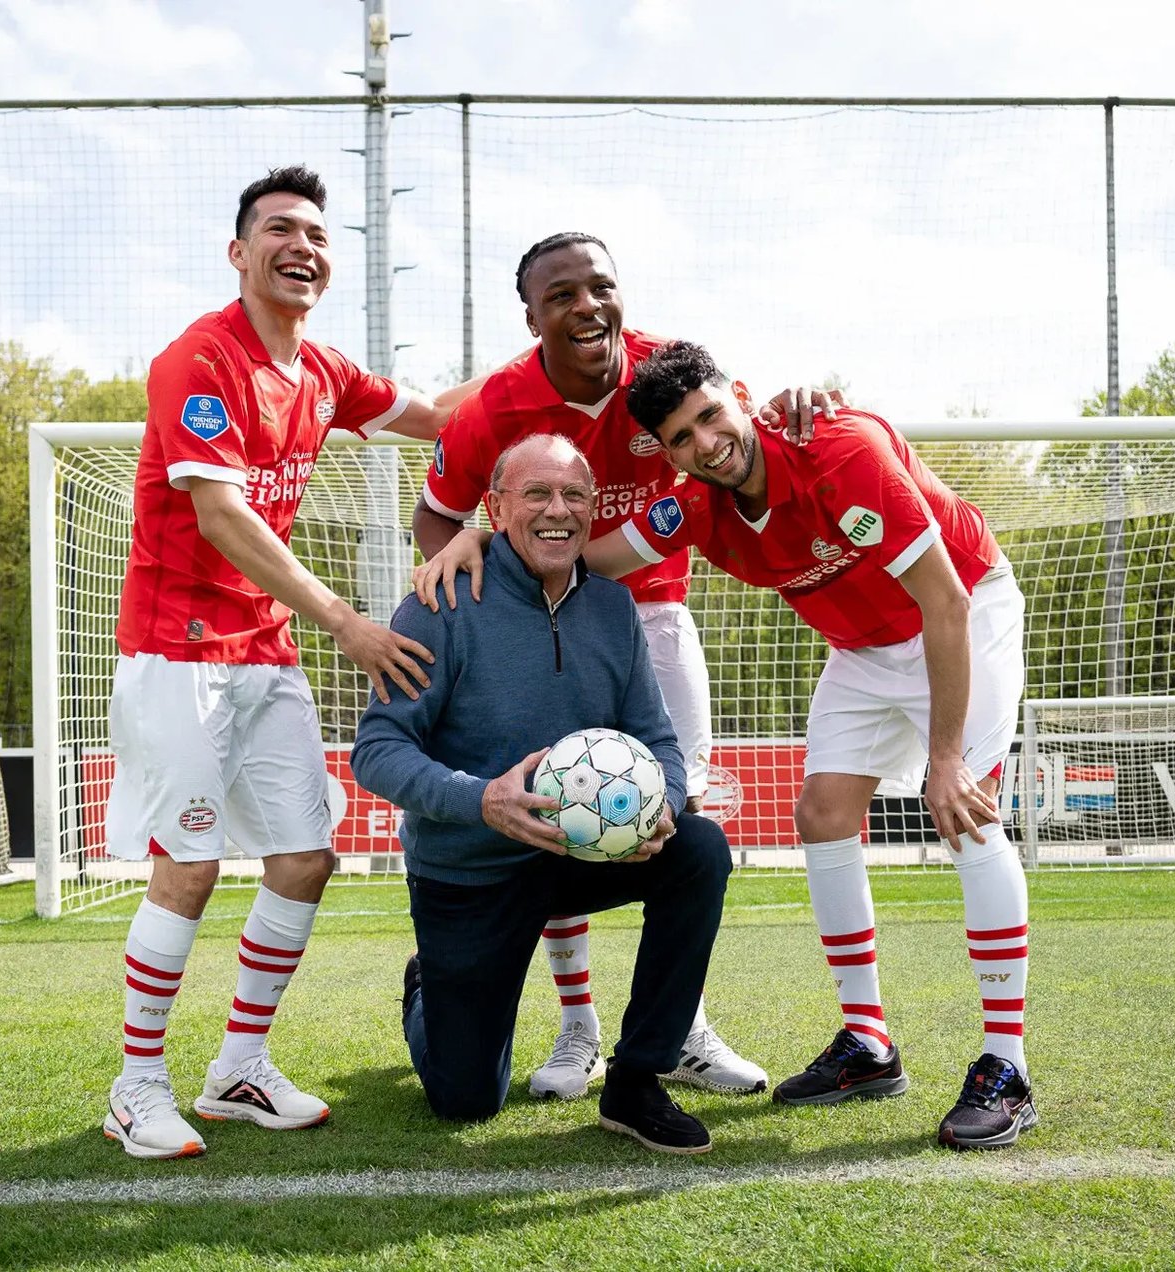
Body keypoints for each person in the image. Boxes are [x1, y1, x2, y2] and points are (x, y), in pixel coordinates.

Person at [415, 340, 1036, 1150]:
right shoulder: (695, 510)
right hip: (863, 650)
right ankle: (868, 1043)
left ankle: (1006, 1065)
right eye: (681, 437)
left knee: (970, 816)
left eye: (711, 416)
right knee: (820, 816)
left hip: (961, 619)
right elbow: (587, 555)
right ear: (665, 454)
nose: (706, 443)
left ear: (738, 398)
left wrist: (947, 760)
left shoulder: (844, 452)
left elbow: (946, 601)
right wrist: (478, 540)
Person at [412, 231, 837, 1101]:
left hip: (654, 616)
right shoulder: (495, 407)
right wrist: (479, 583)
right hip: (543, 620)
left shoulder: (668, 375)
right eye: (561, 295)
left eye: (600, 287)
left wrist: (806, 400)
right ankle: (577, 1031)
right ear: (529, 317)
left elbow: (745, 433)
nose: (586, 306)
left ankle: (679, 1030)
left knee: (674, 821)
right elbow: (435, 519)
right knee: (556, 800)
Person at [102, 164, 474, 1161]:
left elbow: (442, 416)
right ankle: (136, 1086)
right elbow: (219, 514)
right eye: (277, 229)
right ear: (239, 252)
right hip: (176, 652)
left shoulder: (326, 374)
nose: (300, 245)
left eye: (315, 232)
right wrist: (347, 623)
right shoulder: (198, 358)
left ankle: (237, 1068)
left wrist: (568, 370)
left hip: (262, 650)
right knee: (185, 868)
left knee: (304, 856)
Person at [353, 433, 735, 1155]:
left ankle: (637, 1081)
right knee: (466, 1100)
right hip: (471, 868)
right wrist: (479, 800)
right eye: (536, 494)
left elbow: (658, 741)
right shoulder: (439, 602)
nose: (557, 511)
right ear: (494, 508)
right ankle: (427, 989)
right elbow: (376, 750)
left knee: (701, 848)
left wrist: (662, 803)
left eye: (573, 496)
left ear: (593, 510)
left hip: (577, 853)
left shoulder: (615, 610)